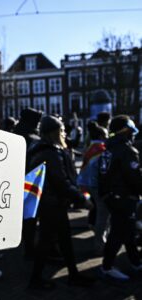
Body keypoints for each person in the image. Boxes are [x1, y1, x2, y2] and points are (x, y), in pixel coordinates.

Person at [27, 115, 95, 290]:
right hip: (53, 205)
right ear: (54, 132)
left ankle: (72, 274)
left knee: (60, 240)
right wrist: (81, 199)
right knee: (47, 242)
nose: (64, 133)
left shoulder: (41, 149)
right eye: (62, 130)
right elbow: (61, 181)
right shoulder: (51, 153)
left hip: (50, 203)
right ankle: (36, 279)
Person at [98, 115, 142, 280]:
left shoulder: (108, 148)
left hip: (112, 198)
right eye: (131, 131)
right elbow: (135, 178)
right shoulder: (127, 150)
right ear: (126, 131)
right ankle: (107, 266)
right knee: (117, 233)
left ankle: (135, 262)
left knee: (127, 231)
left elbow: (102, 176)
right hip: (124, 198)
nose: (133, 135)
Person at [12, 108, 43, 260]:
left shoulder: (13, 134)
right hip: (31, 182)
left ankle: (26, 247)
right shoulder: (33, 138)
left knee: (24, 219)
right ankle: (30, 249)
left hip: (16, 181)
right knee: (30, 219)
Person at [77, 121, 109, 254]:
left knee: (98, 213)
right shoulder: (102, 149)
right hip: (97, 186)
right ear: (102, 136)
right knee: (103, 215)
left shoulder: (89, 148)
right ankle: (100, 245)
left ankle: (99, 239)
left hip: (88, 184)